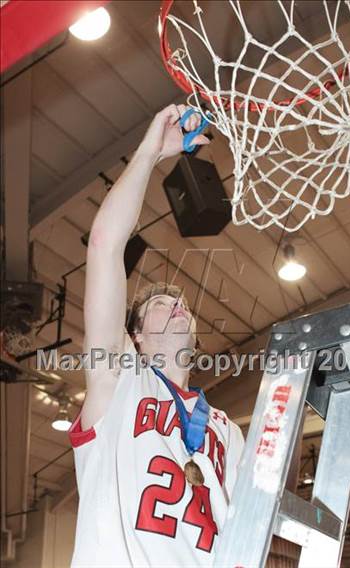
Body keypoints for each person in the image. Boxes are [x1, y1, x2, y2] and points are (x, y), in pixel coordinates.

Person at [68, 104, 245, 568]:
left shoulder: (229, 430)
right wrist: (150, 153)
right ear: (136, 339)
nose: (177, 306)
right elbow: (106, 245)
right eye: (159, 306)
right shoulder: (118, 380)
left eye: (182, 304)